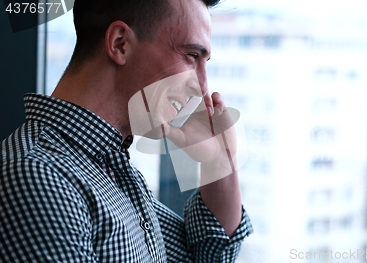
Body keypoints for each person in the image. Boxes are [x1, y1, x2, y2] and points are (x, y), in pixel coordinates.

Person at [0, 0, 252, 262]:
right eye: (191, 56)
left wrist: (220, 161)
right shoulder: (37, 177)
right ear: (120, 43)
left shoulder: (114, 173)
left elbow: (204, 257)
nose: (202, 88)